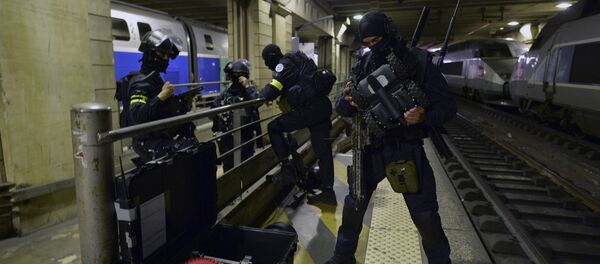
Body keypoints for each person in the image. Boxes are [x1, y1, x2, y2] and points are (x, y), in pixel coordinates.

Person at [327, 11, 455, 263]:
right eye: (368, 43)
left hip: (405, 147)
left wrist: (423, 117)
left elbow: (448, 107)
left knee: (425, 216)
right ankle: (342, 258)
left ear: (389, 34)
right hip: (369, 148)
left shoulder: (417, 61)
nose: (373, 48)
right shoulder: (364, 64)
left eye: (377, 41)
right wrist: (348, 101)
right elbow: (341, 107)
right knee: (354, 206)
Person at [260, 44, 336, 205]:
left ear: (272, 57)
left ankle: (287, 168)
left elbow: (273, 88)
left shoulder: (283, 64)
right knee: (323, 153)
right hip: (322, 108)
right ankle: (328, 192)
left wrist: (260, 98)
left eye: (267, 61)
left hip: (309, 110)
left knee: (273, 127)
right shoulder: (298, 59)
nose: (267, 65)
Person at [118, 29, 197, 163]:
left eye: (168, 55)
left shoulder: (154, 79)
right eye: (162, 54)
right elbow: (138, 116)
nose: (165, 59)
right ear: (150, 54)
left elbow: (163, 111)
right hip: (147, 141)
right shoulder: (140, 83)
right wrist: (161, 97)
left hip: (159, 136)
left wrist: (184, 104)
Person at [211, 59, 260, 171]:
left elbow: (258, 102)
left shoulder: (225, 95)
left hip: (233, 142)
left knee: (231, 169)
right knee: (245, 168)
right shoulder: (246, 94)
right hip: (240, 140)